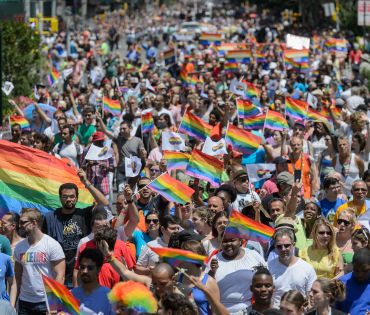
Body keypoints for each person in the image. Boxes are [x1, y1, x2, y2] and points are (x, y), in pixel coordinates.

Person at [42, 170, 110, 288]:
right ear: (60, 198)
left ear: (77, 198)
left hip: (82, 273)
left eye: (72, 196)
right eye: (65, 196)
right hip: (57, 275)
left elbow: (104, 203)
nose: (69, 199)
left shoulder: (84, 214)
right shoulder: (50, 217)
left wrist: (86, 182)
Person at [14, 207, 65, 314]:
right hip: (24, 302)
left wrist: (54, 304)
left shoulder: (52, 245)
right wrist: (13, 302)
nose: (20, 225)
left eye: (23, 222)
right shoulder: (19, 247)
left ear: (34, 223)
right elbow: (17, 277)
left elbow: (60, 276)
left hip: (45, 302)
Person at [210, 232, 266, 313]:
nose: (228, 244)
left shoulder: (253, 255)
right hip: (221, 310)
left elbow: (266, 278)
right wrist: (212, 272)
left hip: (249, 309)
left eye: (232, 240)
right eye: (225, 241)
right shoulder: (214, 259)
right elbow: (207, 285)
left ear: (240, 241)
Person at [268, 228, 316, 307]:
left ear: (293, 244)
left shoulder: (307, 268)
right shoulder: (269, 267)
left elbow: (311, 298)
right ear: (275, 247)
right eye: (279, 246)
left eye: (287, 245)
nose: (283, 249)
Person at [71, 248, 114, 315]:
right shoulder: (71, 295)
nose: (85, 271)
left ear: (98, 269)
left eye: (90, 268)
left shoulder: (109, 296)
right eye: (82, 267)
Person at [337, 248, 370, 314]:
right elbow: (333, 310)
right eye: (356, 270)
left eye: (365, 271)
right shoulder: (342, 283)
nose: (360, 274)